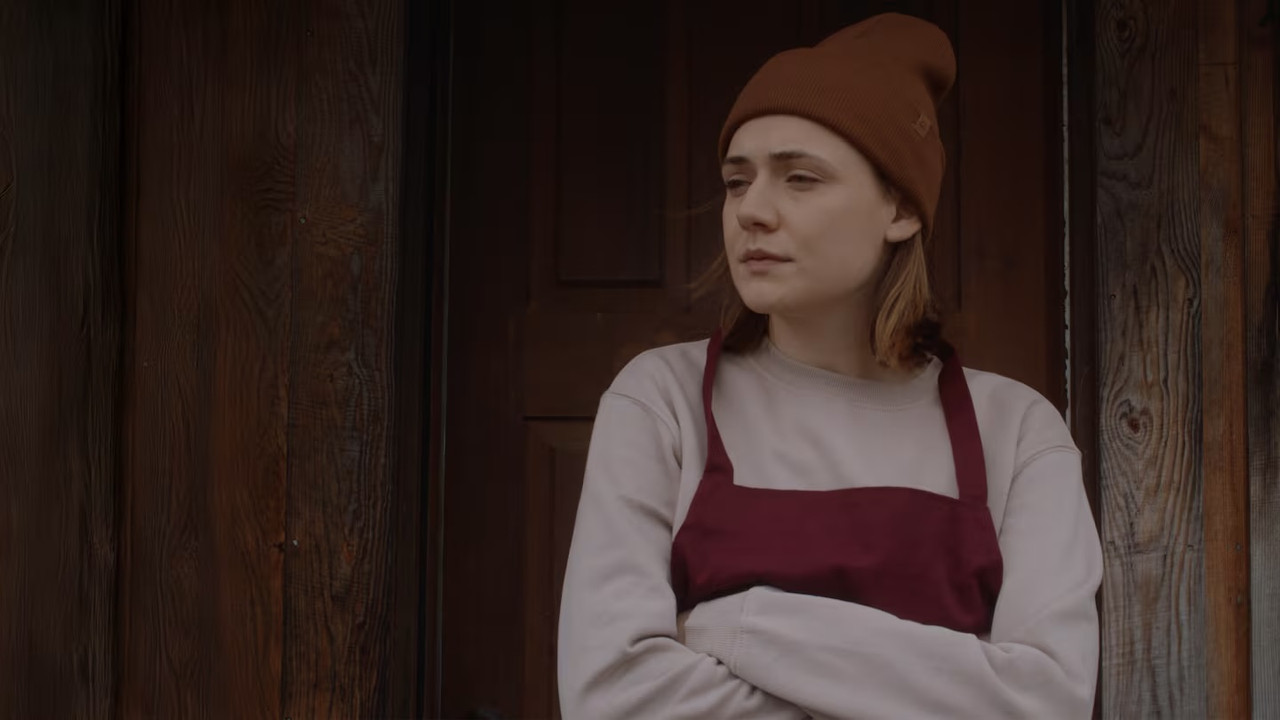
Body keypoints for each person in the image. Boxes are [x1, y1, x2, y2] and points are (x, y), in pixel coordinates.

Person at [556, 13, 1102, 720]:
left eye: (801, 179)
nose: (751, 210)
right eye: (737, 181)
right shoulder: (662, 401)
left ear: (900, 208)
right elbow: (612, 697)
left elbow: (1045, 702)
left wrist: (741, 625)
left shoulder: (1017, 431)